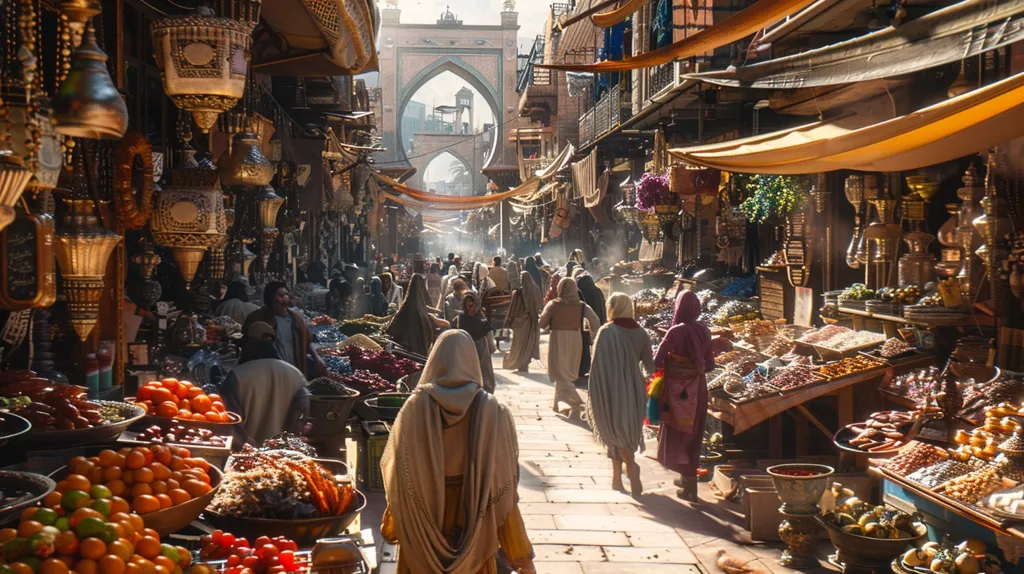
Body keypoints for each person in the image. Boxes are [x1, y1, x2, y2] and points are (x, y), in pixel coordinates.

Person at [380, 330, 536, 574]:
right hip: (475, 527)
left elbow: (400, 479)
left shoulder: (413, 410)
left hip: (424, 527)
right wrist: (524, 560)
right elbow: (503, 490)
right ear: (473, 362)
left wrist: (392, 526)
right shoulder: (493, 412)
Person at [586, 293, 654, 496]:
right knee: (628, 430)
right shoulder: (641, 333)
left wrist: (596, 391)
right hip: (633, 390)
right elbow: (650, 366)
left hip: (610, 389)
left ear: (612, 308)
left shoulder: (606, 331)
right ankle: (617, 477)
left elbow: (596, 366)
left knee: (613, 429)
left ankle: (629, 467)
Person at [655, 290, 714, 502]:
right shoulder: (705, 331)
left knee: (677, 432)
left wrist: (676, 364)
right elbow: (710, 365)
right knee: (693, 433)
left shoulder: (675, 332)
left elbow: (657, 361)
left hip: (676, 392)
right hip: (698, 389)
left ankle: (687, 482)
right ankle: (689, 483)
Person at [220, 321, 309, 445]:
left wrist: (245, 441)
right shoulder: (295, 374)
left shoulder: (237, 376)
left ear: (248, 343)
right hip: (286, 454)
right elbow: (304, 415)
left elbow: (228, 420)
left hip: (246, 455)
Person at [539, 278, 599, 420]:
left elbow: (542, 323)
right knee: (566, 372)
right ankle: (556, 404)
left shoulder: (553, 305)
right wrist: (592, 337)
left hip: (558, 340)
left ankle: (577, 402)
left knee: (559, 372)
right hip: (575, 340)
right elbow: (595, 322)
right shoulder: (582, 306)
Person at [242, 282, 325, 378]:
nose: (285, 298)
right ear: (270, 299)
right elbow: (247, 343)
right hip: (270, 373)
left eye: (287, 295)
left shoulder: (296, 319)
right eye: (281, 295)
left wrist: (317, 358)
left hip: (294, 370)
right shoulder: (258, 318)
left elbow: (307, 340)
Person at [386, 274, 449, 356]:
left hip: (405, 352)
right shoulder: (423, 311)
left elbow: (392, 329)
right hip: (419, 353)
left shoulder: (406, 307)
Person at [453, 293, 495, 392]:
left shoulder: (483, 320)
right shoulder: (459, 320)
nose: (470, 309)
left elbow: (489, 336)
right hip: (464, 352)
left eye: (472, 306)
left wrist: (490, 348)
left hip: (481, 351)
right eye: (467, 306)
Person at [503, 271, 542, 373]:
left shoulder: (518, 293)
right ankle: (525, 364)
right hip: (531, 322)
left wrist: (508, 320)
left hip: (519, 324)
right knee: (528, 344)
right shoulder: (536, 290)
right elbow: (539, 305)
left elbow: (513, 309)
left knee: (518, 345)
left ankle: (519, 363)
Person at [575, 273, 606, 383]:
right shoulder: (598, 291)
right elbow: (603, 306)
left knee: (584, 347)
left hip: (584, 324)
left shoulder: (580, 292)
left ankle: (582, 368)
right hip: (598, 320)